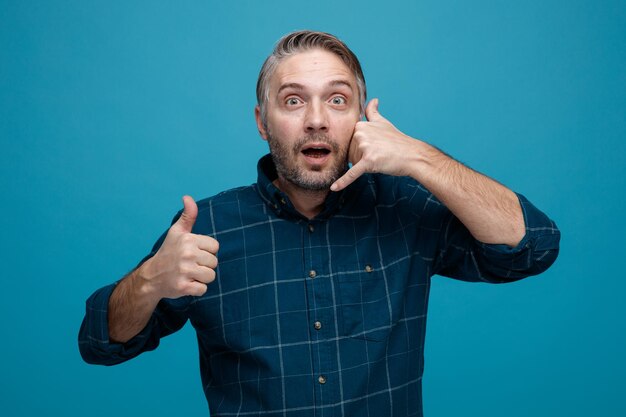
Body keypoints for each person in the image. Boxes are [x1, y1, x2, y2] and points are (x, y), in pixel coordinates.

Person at [79, 30, 560, 416]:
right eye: (292, 101)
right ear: (262, 122)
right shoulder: (207, 227)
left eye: (336, 100)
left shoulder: (404, 208)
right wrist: (148, 282)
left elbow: (531, 247)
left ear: (360, 117)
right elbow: (101, 342)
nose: (316, 120)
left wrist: (419, 158)